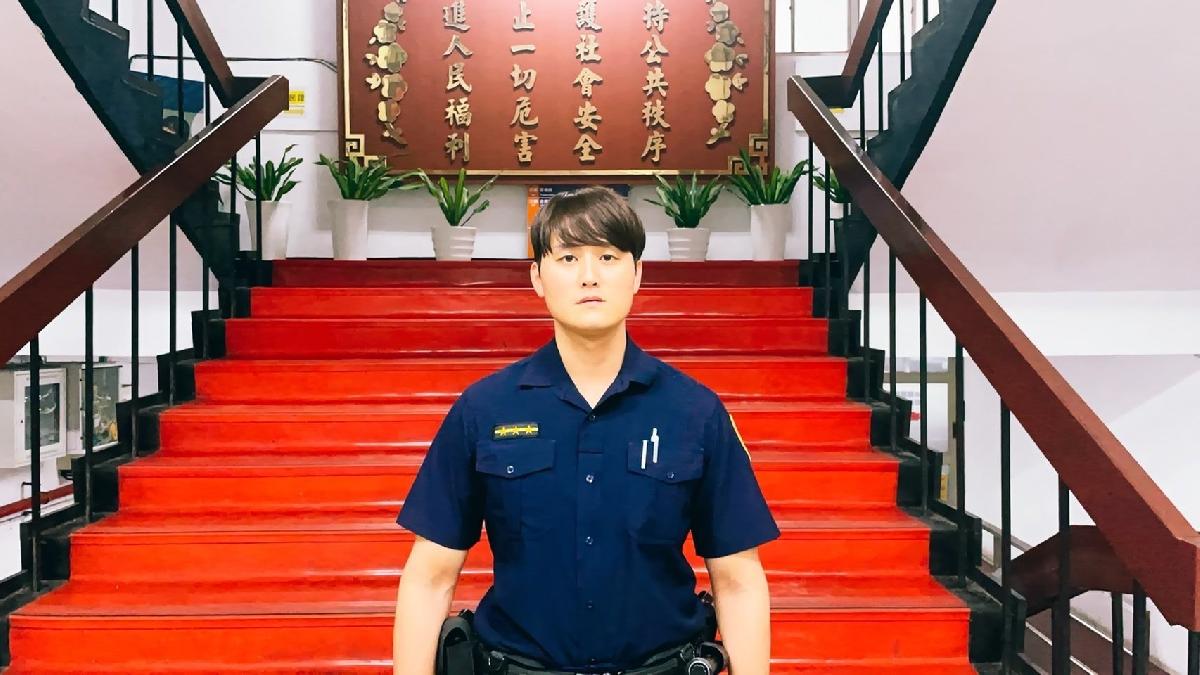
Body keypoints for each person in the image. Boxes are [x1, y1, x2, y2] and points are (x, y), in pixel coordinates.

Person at [393, 186, 779, 675]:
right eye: (568, 258)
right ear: (537, 277)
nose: (589, 276)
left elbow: (738, 579)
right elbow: (430, 577)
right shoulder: (484, 409)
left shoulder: (694, 411)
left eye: (608, 257)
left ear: (638, 274)